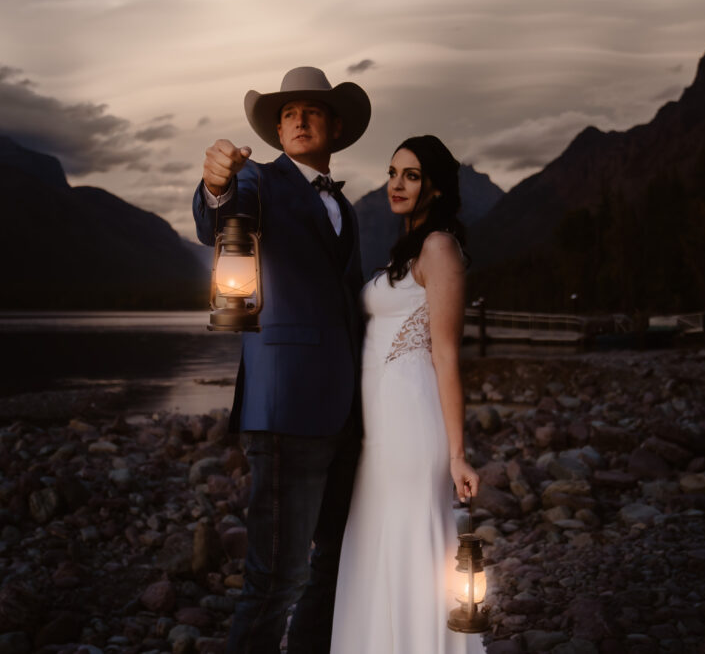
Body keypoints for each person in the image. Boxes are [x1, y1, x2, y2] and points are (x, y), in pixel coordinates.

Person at [192, 66, 370, 654]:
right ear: (275, 128)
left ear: (335, 127)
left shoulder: (348, 207)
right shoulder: (257, 184)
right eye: (288, 112)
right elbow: (217, 217)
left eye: (311, 110)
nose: (297, 118)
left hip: (348, 415)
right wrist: (216, 182)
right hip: (286, 406)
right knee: (275, 581)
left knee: (335, 567)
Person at [330, 135, 486, 654]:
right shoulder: (408, 250)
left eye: (412, 175)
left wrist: (458, 454)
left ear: (435, 188)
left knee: (407, 546)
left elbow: (446, 355)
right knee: (374, 546)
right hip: (379, 433)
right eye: (393, 172)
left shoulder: (439, 248)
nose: (396, 183)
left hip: (412, 426)